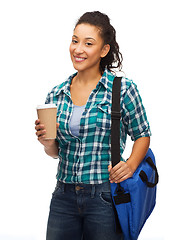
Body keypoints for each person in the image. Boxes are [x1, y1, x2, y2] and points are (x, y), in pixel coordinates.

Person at [35, 11, 151, 240]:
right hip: (63, 196)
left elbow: (142, 133)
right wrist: (47, 143)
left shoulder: (122, 89)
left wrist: (130, 164)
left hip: (105, 197)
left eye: (88, 43)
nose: (78, 49)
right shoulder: (56, 95)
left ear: (104, 50)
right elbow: (55, 152)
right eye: (75, 40)